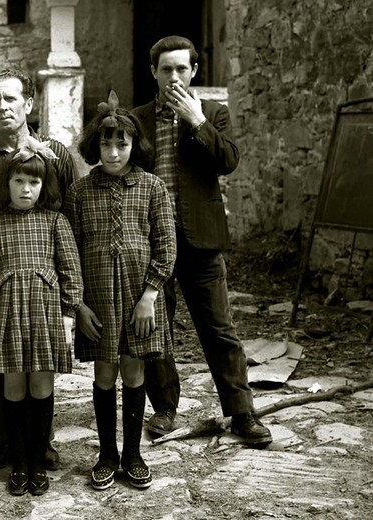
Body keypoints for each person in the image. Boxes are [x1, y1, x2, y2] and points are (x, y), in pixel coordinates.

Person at [132, 36, 272, 444]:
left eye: (181, 69)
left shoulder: (213, 113)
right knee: (156, 330)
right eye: (165, 69)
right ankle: (165, 409)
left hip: (202, 241)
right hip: (154, 242)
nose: (173, 77)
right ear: (153, 73)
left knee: (220, 330)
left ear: (194, 71)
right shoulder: (137, 119)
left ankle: (243, 413)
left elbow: (228, 161)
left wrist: (197, 120)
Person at [0, 69, 81, 471]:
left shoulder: (55, 154)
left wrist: (71, 304)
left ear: (29, 104)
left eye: (11, 99)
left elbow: (72, 217)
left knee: (40, 370)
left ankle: (40, 446)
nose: (3, 106)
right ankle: (7, 444)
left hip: (43, 282)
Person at [64, 92, 176, 490]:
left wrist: (150, 296)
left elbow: (166, 244)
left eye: (121, 144)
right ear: (95, 146)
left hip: (137, 298)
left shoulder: (152, 188)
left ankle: (133, 454)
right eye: (106, 144)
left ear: (134, 145)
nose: (113, 153)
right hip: (97, 301)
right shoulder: (79, 192)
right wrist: (77, 305)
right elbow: (69, 251)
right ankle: (107, 454)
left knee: (133, 368)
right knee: (105, 372)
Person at [0, 139, 81, 496]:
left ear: (44, 185)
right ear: (7, 183)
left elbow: (71, 273)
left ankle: (37, 459)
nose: (26, 188)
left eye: (33, 182)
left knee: (41, 387)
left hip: (46, 314)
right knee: (13, 387)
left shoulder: (55, 222)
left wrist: (67, 319)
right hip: (8, 316)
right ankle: (17, 462)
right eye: (19, 181)